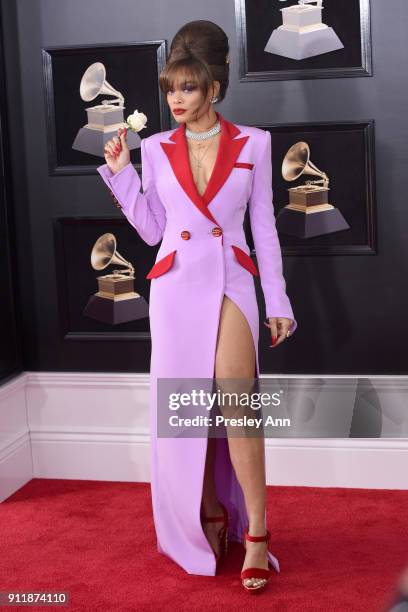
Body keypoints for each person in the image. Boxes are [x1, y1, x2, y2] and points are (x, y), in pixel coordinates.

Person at [97, 19, 297, 593]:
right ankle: (207, 514)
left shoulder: (254, 143)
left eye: (188, 87)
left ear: (214, 85)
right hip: (176, 285)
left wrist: (276, 300)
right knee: (190, 410)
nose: (176, 100)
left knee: (238, 400)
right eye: (169, 89)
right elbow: (154, 229)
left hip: (232, 280)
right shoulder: (156, 148)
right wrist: (121, 177)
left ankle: (256, 530)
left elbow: (265, 228)